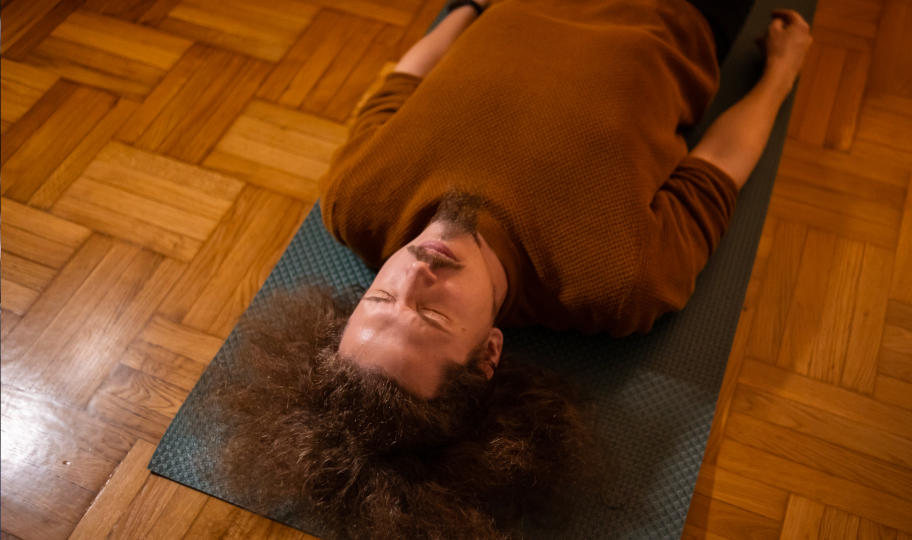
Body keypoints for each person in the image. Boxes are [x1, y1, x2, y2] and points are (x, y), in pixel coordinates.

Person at [215, 2, 813, 538]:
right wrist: (781, 74)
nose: (415, 277)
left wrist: (468, 6)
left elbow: (401, 81)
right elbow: (717, 170)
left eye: (378, 299)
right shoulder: (615, 284)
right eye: (431, 314)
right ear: (489, 353)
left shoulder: (355, 202)